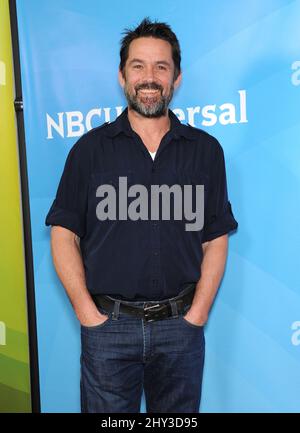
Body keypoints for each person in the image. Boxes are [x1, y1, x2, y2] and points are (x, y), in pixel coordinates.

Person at [45, 17, 238, 413]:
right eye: (138, 66)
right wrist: (88, 315)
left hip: (180, 329)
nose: (149, 77)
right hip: (108, 330)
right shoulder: (88, 151)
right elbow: (64, 234)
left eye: (161, 67)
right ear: (122, 76)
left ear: (176, 79)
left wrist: (196, 315)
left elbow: (215, 238)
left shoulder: (206, 151)